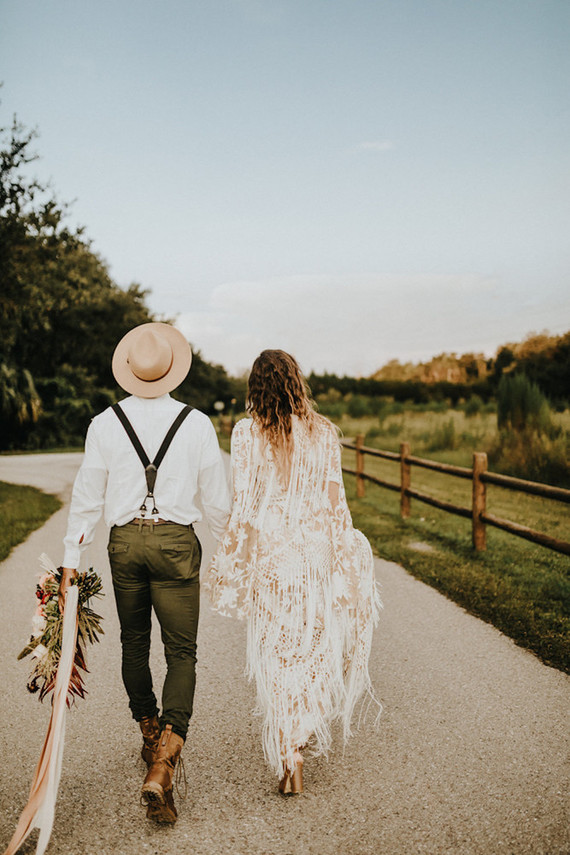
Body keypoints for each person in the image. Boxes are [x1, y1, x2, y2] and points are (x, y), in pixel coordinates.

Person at [58, 322, 230, 823]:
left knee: (134, 645)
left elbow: (86, 501)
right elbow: (216, 504)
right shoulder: (196, 424)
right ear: (172, 371)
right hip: (176, 542)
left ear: (129, 371)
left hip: (126, 543)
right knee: (182, 652)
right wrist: (234, 554)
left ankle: (149, 732)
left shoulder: (104, 423)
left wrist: (71, 561)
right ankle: (165, 761)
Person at [205, 349, 381, 795]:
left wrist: (231, 559)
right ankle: (299, 736)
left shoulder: (245, 434)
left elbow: (242, 503)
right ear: (297, 382)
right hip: (314, 556)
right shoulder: (323, 433)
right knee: (314, 649)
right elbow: (335, 501)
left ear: (254, 388)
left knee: (278, 653)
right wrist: (348, 549)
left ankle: (289, 753)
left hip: (272, 557)